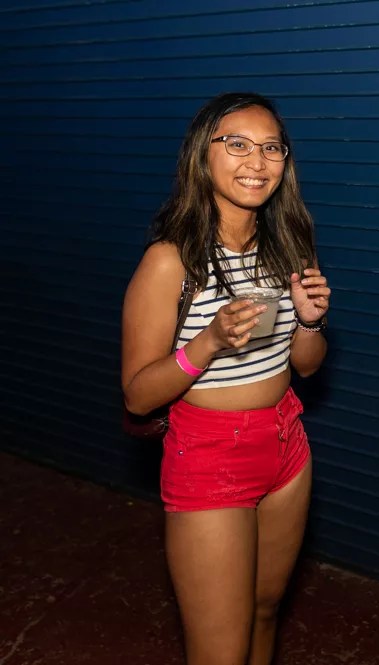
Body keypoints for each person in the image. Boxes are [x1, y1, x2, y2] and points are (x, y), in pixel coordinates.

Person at [121, 92, 330, 665]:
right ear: (202, 154)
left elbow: (307, 365)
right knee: (219, 649)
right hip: (210, 454)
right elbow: (138, 395)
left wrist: (310, 322)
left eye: (271, 148)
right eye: (237, 144)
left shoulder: (290, 244)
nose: (256, 162)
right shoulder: (171, 260)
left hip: (286, 442)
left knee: (265, 611)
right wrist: (208, 342)